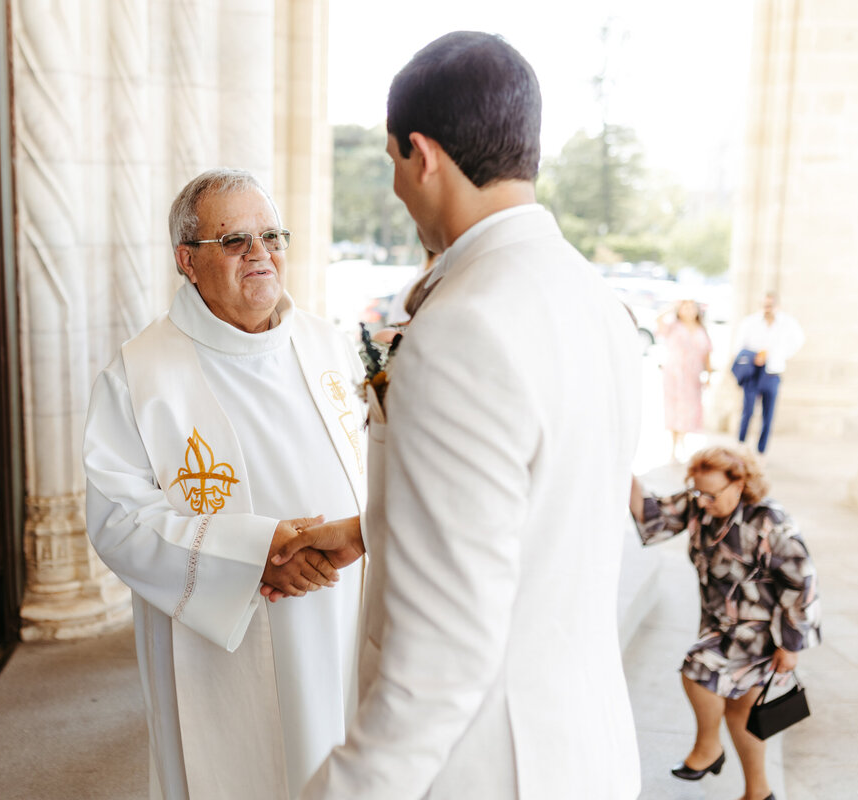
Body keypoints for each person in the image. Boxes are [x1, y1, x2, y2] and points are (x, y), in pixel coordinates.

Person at [279, 32, 644, 799]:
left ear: (423, 154)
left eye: (391, 164)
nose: (397, 189)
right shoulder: (590, 297)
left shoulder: (465, 325)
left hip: (490, 763)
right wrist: (377, 527)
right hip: (584, 745)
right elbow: (548, 503)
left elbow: (439, 662)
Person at [82, 169, 368, 799]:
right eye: (235, 241)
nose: (260, 254)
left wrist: (355, 536)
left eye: (271, 235)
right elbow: (116, 519)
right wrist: (256, 553)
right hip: (223, 638)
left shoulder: (330, 344)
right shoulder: (140, 373)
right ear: (188, 261)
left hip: (341, 609)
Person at [629, 445, 820, 800]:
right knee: (741, 712)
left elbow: (802, 581)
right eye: (696, 491)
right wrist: (621, 468)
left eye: (711, 494)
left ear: (739, 484)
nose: (702, 501)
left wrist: (789, 646)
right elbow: (653, 516)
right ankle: (758, 793)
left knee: (698, 669)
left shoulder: (769, 520)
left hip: (759, 631)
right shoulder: (700, 504)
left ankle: (708, 749)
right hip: (719, 624)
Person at [735, 291, 804, 453]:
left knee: (768, 414)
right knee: (748, 410)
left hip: (772, 372)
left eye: (770, 305)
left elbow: (798, 342)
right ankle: (741, 444)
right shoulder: (750, 322)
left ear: (777, 306)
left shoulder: (788, 323)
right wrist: (754, 357)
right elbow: (739, 347)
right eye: (765, 305)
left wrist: (779, 356)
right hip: (753, 371)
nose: (767, 308)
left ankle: (761, 450)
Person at [659, 299, 713, 461]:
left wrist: (708, 375)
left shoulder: (702, 330)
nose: (689, 311)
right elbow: (658, 320)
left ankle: (682, 440)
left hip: (692, 376)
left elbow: (708, 354)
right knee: (674, 409)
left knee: (689, 410)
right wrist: (672, 306)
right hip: (674, 375)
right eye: (685, 308)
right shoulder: (674, 326)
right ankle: (673, 446)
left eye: (691, 308)